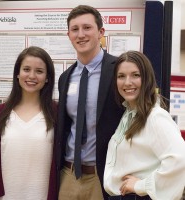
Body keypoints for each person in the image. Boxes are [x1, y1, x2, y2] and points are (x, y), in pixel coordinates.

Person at [56, 5, 124, 200]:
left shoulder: (118, 70)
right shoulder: (65, 78)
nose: (81, 34)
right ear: (68, 34)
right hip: (69, 175)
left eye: (87, 27)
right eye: (75, 29)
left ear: (101, 32)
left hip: (102, 177)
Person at [104, 51, 185, 200]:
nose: (127, 82)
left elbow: (180, 160)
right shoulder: (130, 114)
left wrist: (141, 186)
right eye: (121, 76)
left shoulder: (155, 117)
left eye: (135, 75)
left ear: (147, 78)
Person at [0, 46, 57, 200]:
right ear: (17, 74)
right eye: (26, 69)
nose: (31, 76)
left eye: (39, 71)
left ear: (47, 77)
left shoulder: (56, 112)